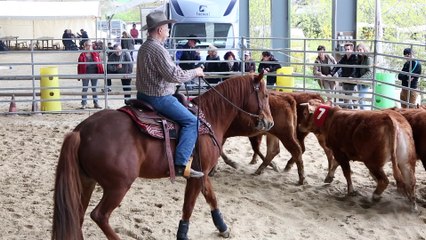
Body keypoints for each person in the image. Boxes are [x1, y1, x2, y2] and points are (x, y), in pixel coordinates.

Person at [136, 11, 205, 178]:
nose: (168, 30)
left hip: (142, 95)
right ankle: (181, 163)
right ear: (160, 29)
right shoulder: (157, 49)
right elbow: (174, 75)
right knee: (192, 122)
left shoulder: (145, 47)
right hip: (160, 97)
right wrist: (196, 71)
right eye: (167, 27)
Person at [330, 42, 358, 108]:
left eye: (348, 49)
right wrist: (331, 73)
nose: (347, 51)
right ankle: (350, 108)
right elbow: (338, 65)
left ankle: (351, 108)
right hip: (345, 79)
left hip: (352, 80)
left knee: (348, 98)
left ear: (352, 50)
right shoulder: (344, 58)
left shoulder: (355, 58)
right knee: (346, 96)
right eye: (345, 49)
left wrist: (352, 76)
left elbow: (355, 68)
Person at [77, 40, 103, 109]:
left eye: (90, 45)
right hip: (85, 73)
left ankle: (96, 103)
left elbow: (99, 63)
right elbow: (79, 66)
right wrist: (79, 75)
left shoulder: (95, 54)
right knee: (85, 88)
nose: (89, 47)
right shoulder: (82, 55)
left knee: (94, 88)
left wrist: (100, 72)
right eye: (87, 45)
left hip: (94, 73)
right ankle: (84, 104)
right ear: (84, 46)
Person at [355, 43, 373, 110]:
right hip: (360, 82)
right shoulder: (360, 58)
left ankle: (365, 114)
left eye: (360, 50)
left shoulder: (368, 59)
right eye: (358, 50)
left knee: (362, 100)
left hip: (365, 82)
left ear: (364, 49)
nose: (359, 51)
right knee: (361, 99)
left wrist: (361, 79)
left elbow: (369, 71)